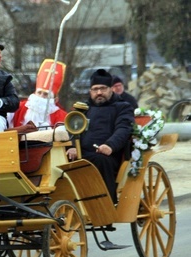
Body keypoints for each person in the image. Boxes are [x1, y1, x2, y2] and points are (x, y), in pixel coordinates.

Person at [66, 69, 134, 203]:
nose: (99, 93)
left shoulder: (123, 107)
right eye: (95, 89)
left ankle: (106, 205)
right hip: (81, 153)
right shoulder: (82, 109)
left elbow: (123, 128)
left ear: (111, 89)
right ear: (90, 91)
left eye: (103, 88)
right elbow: (72, 129)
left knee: (100, 160)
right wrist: (72, 146)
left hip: (108, 155)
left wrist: (110, 145)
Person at [9, 59, 67, 128]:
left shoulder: (62, 116)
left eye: (46, 94)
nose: (41, 96)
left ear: (55, 99)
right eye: (39, 92)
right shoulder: (20, 107)